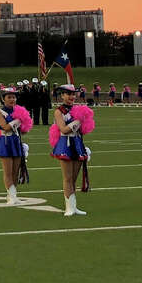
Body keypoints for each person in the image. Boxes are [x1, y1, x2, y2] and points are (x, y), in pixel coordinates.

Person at [51, 84, 89, 217]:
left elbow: (84, 130)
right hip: (65, 144)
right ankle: (69, 207)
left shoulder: (78, 109)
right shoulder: (58, 111)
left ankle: (74, 206)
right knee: (67, 178)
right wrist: (78, 121)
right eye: (68, 94)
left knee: (73, 178)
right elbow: (63, 129)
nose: (71, 97)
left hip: (77, 143)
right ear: (62, 95)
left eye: (73, 94)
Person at [0, 86, 27, 205]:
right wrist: (18, 120)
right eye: (9, 97)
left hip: (16, 140)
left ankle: (13, 195)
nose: (12, 99)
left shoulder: (18, 110)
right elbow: (5, 127)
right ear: (3, 99)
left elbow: (24, 130)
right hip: (5, 141)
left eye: (14, 97)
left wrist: (24, 123)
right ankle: (11, 196)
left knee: (15, 171)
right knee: (8, 171)